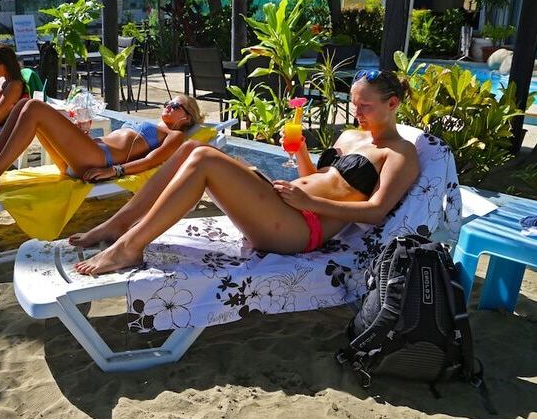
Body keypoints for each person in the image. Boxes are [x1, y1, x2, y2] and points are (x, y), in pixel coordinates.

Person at [72, 70, 421, 276]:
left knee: (205, 158)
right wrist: (299, 152)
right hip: (283, 206)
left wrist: (304, 199)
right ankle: (120, 223)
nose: (356, 111)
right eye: (354, 103)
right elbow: (320, 178)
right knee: (193, 148)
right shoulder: (350, 135)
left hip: (300, 230)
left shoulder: (401, 153)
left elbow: (376, 213)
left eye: (365, 106)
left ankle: (129, 247)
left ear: (392, 104)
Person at [0, 95, 204, 200]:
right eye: (169, 102)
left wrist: (115, 172)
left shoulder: (174, 136)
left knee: (35, 108)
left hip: (97, 160)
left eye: (176, 105)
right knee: (24, 105)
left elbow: (152, 162)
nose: (169, 106)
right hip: (86, 152)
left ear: (187, 118)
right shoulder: (152, 123)